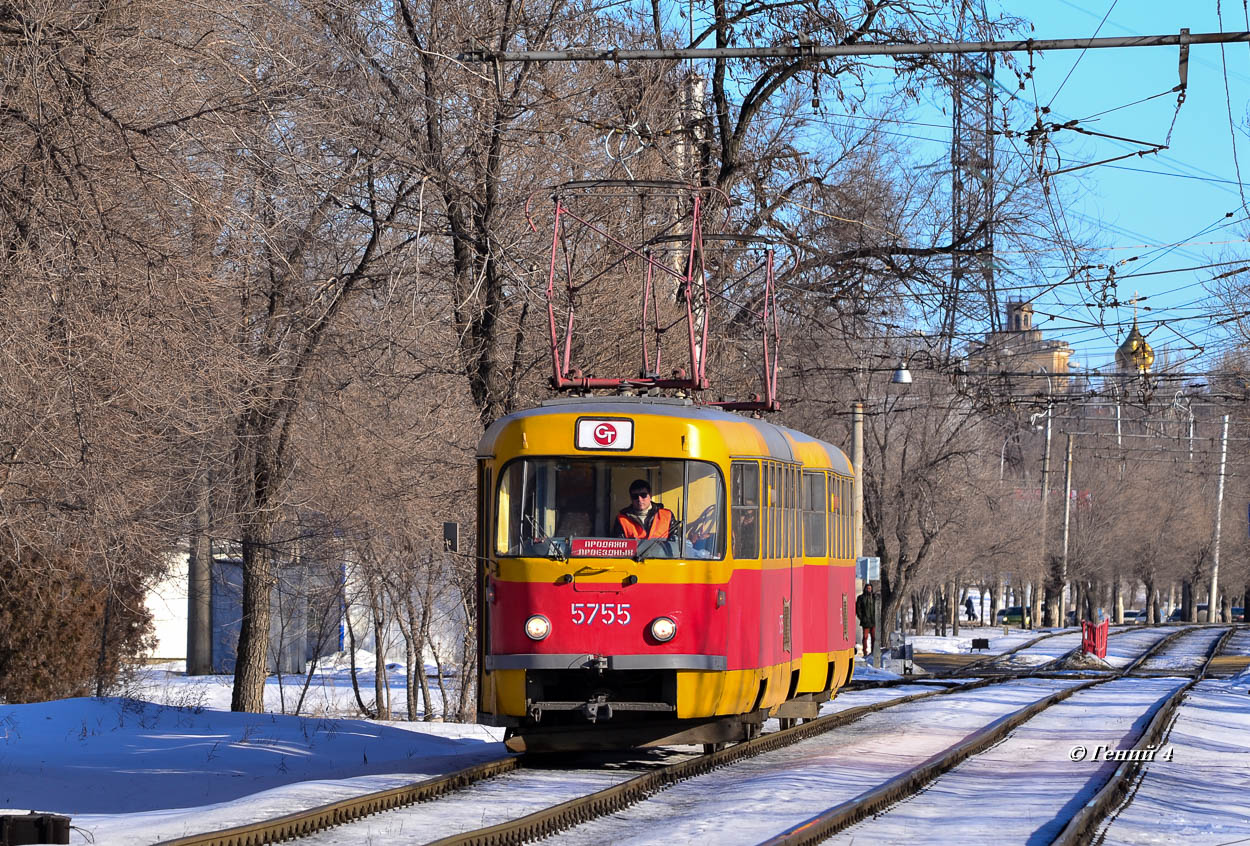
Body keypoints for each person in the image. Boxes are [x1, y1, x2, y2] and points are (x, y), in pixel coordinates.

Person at [614, 479, 679, 540]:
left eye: (643, 495)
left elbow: (676, 541)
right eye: (635, 496)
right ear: (631, 498)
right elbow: (619, 546)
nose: (639, 499)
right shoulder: (622, 519)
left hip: (662, 552)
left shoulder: (667, 515)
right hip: (635, 552)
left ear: (650, 496)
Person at [855, 583, 876, 658]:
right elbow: (858, 609)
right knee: (865, 637)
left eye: (870, 588)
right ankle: (865, 652)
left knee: (874, 637)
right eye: (867, 588)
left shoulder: (874, 597)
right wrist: (862, 618)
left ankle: (873, 652)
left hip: (873, 620)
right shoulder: (861, 598)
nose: (869, 590)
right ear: (865, 589)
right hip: (865, 621)